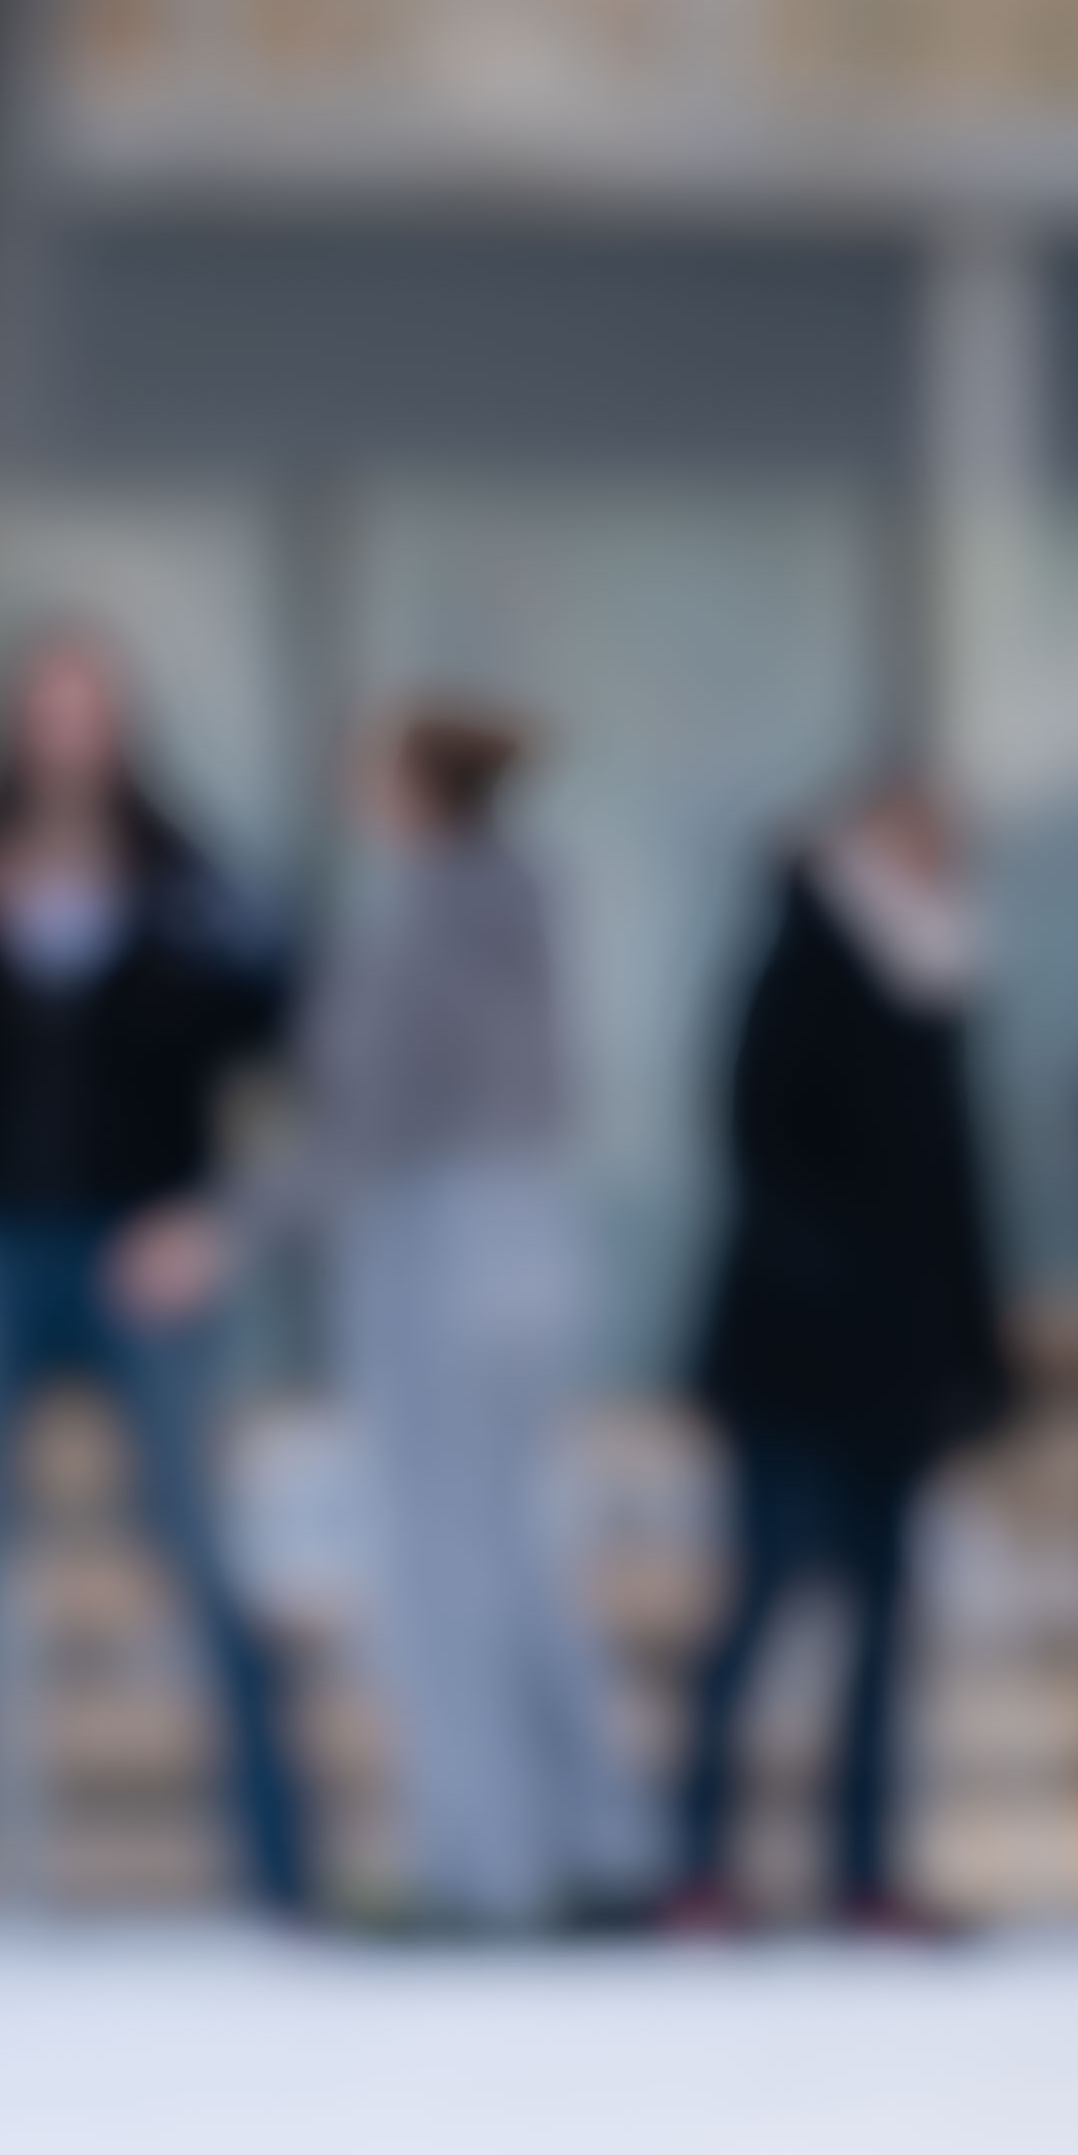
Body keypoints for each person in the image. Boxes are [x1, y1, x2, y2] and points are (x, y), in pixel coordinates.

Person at [0, 629, 308, 1916]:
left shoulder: (187, 874)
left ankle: (286, 1878)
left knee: (204, 1553)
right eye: (50, 705)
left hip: (145, 1250)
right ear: (15, 721)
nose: (70, 731)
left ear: (123, 724)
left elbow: (284, 1017)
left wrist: (211, 1218)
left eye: (91, 706)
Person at [285, 698, 648, 1932]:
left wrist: (228, 1219)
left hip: (434, 1239)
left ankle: (477, 1867)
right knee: (513, 1551)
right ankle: (601, 1843)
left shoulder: (432, 911)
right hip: (527, 1234)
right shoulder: (524, 899)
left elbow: (377, 1114)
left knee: (442, 1563)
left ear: (419, 785)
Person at [664, 769, 1011, 1937]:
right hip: (796, 1360)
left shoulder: (941, 971)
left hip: (898, 1367)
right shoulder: (806, 952)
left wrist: (974, 1349)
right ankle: (697, 1861)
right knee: (764, 1604)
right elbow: (757, 1135)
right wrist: (832, 1271)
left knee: (878, 1624)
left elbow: (958, 1187)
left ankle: (862, 1867)